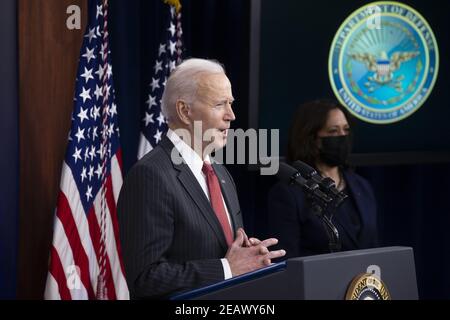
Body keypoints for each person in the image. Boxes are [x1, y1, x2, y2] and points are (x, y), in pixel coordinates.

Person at [117, 58, 285, 299]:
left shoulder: (220, 172)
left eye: (230, 104)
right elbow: (146, 279)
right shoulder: (151, 176)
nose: (231, 115)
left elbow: (219, 250)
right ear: (185, 111)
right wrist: (227, 268)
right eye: (220, 104)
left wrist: (247, 255)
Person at [267, 99, 378, 258]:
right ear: (312, 138)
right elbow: (287, 259)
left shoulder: (362, 186)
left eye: (346, 130)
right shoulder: (289, 193)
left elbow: (375, 248)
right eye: (333, 131)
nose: (342, 136)